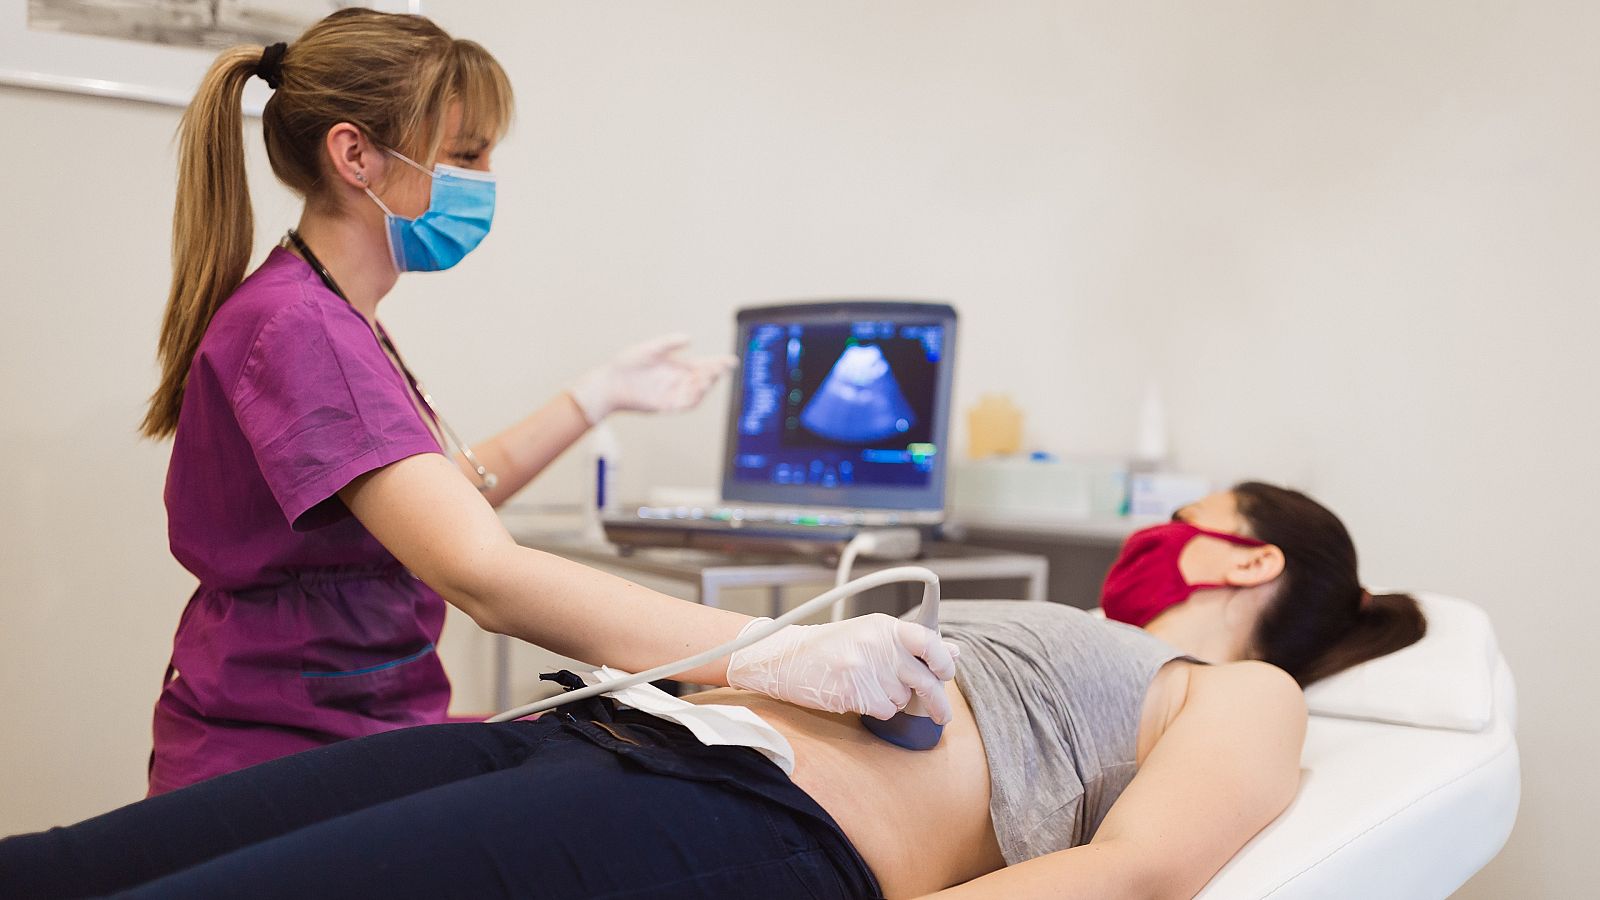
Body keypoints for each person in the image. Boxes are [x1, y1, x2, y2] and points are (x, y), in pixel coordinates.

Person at [139, 8, 956, 796]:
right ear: (356, 156)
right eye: (464, 154)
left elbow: (444, 494)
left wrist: (593, 397)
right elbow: (482, 572)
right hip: (279, 756)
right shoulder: (298, 329)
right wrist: (777, 650)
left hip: (352, 724)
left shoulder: (325, 315)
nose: (483, 182)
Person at [0, 483, 1426, 898]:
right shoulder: (1072, 622)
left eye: (1185, 514)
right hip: (593, 737)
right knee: (65, 870)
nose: (1149, 534)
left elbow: (1134, 878)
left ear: (1237, 557)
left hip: (746, 823)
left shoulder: (1245, 695)